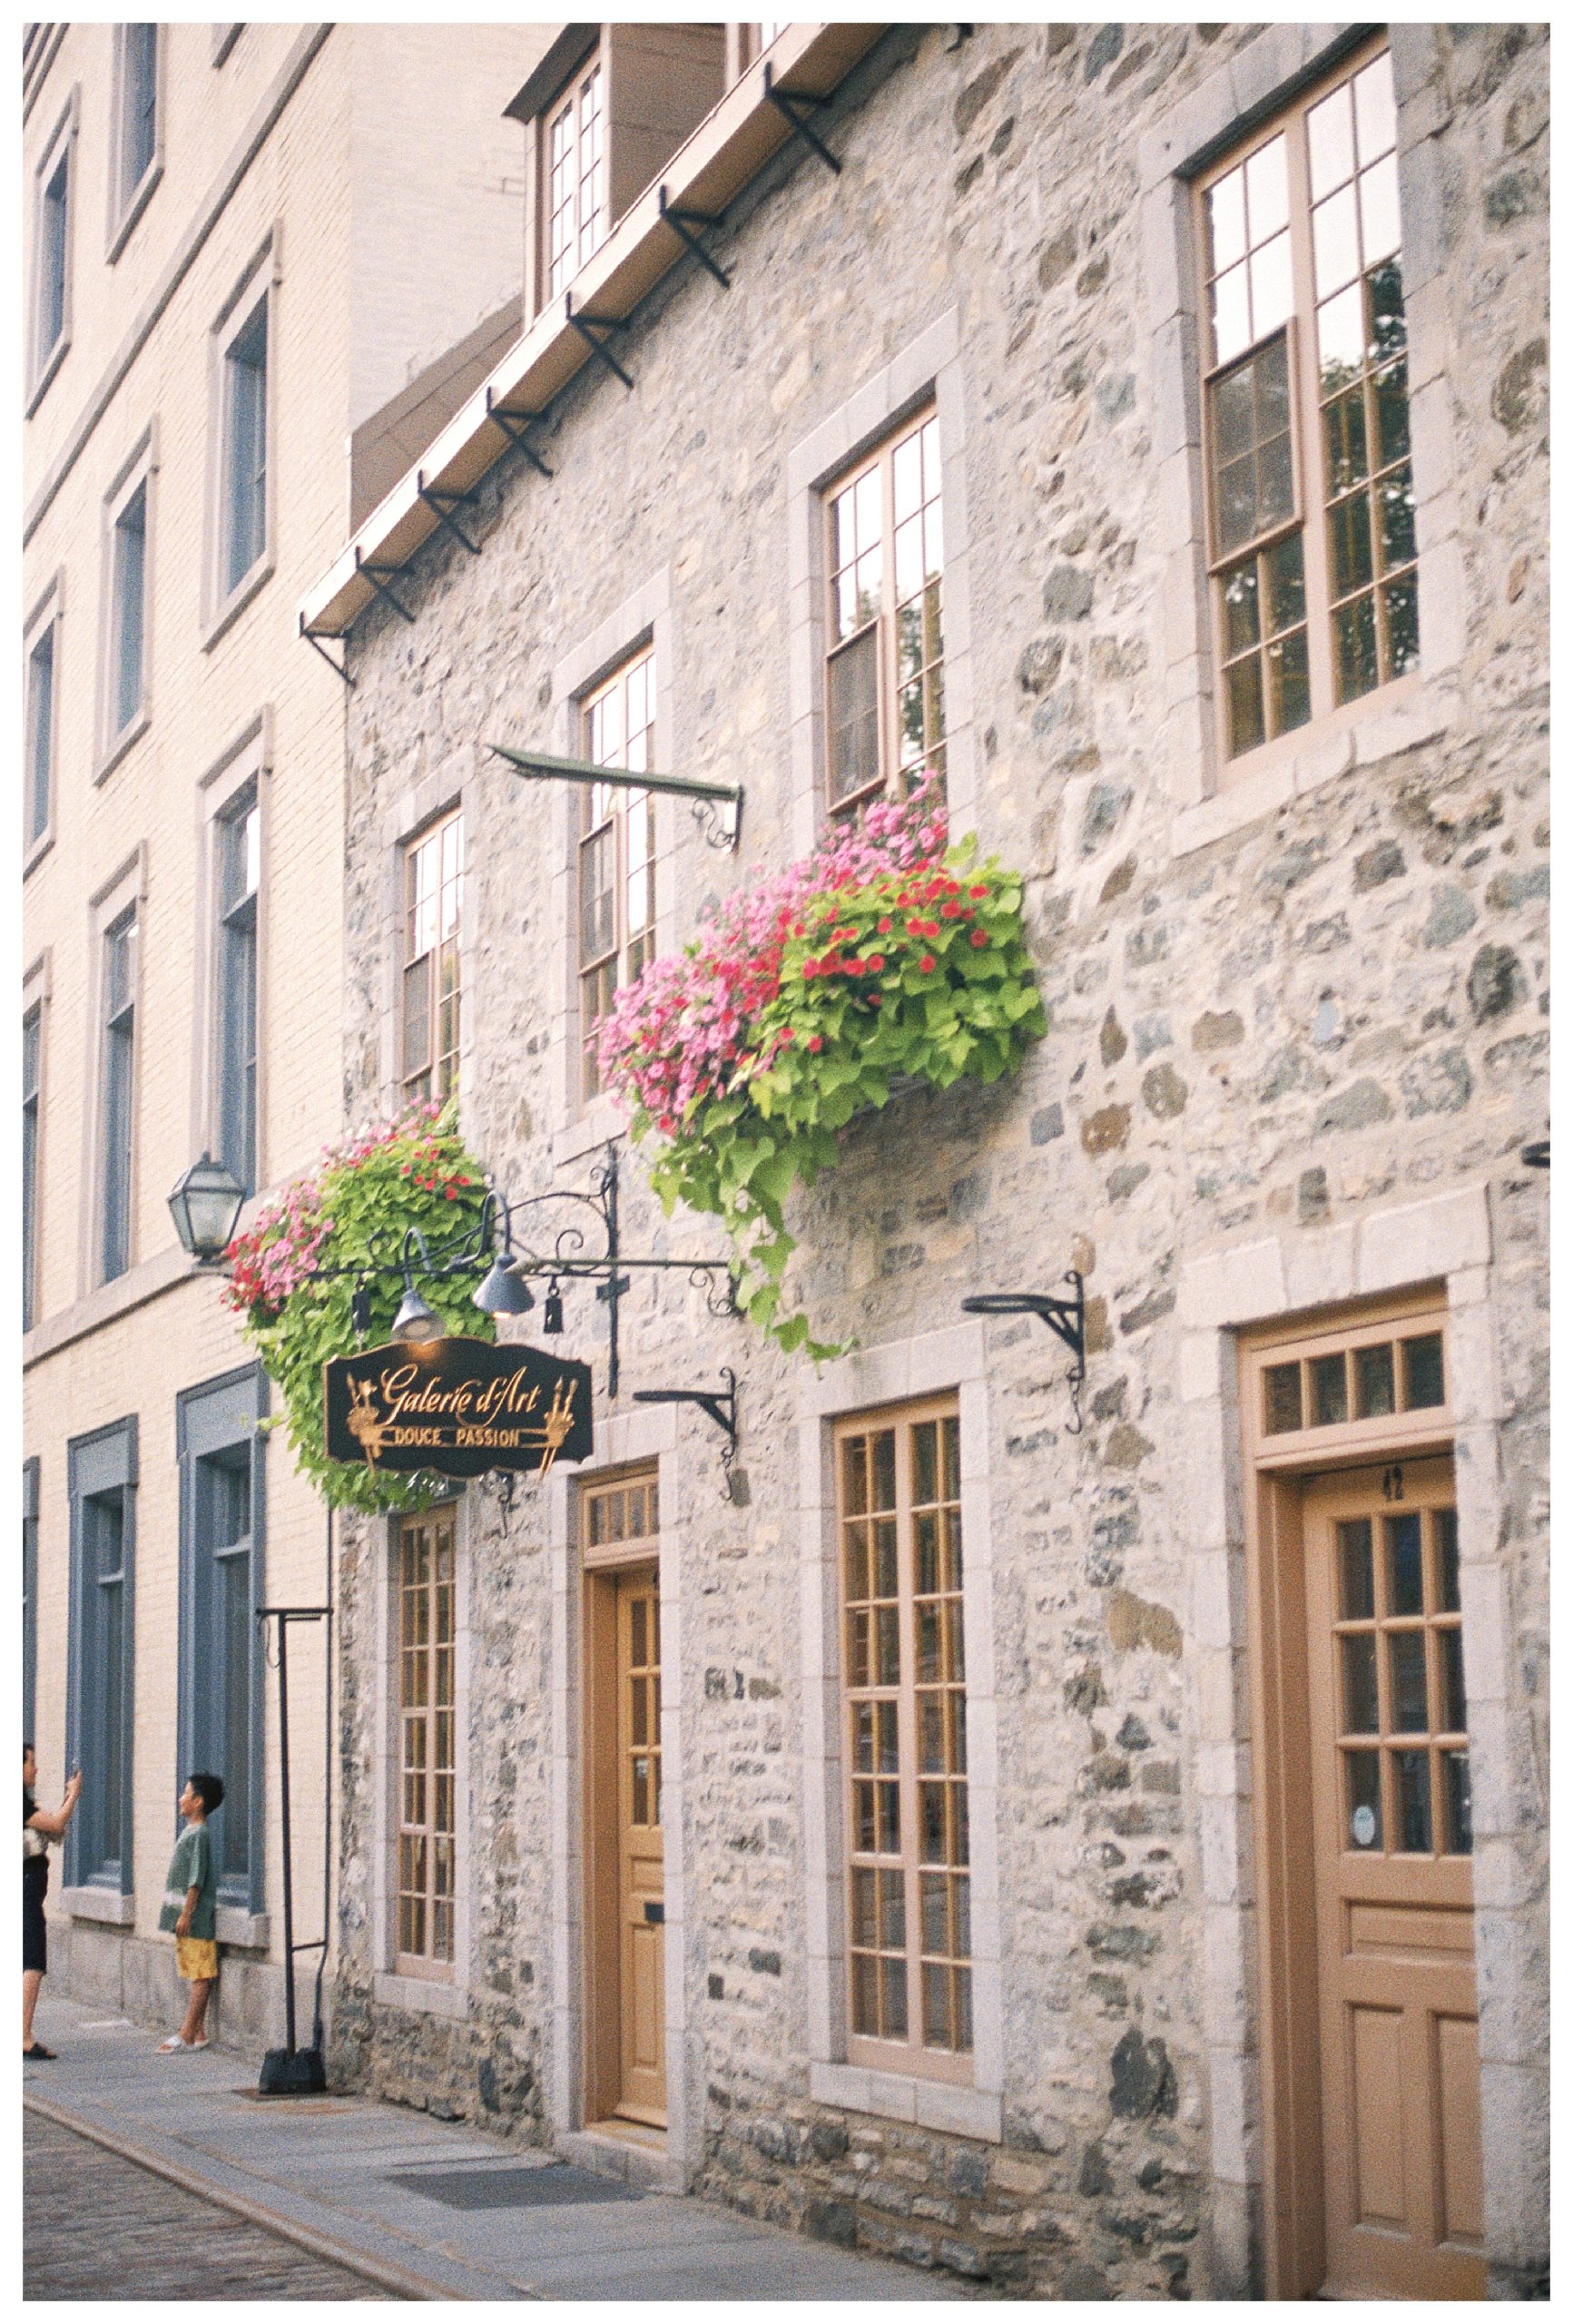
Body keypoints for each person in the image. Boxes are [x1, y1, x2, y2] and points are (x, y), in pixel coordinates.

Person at [157, 1772, 224, 2053]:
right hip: (185, 1918)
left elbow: (196, 1877)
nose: (180, 1798)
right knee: (192, 1969)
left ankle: (185, 2033)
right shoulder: (192, 1831)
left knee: (201, 1975)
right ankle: (199, 2033)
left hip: (195, 1919)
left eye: (186, 1794)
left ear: (198, 1802)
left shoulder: (200, 1834)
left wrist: (186, 1913)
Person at [24, 1745, 82, 2059]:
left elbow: (51, 1824)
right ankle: (23, 2035)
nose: (36, 1770)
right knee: (32, 1960)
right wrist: (73, 1794)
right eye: (31, 1763)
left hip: (26, 1888)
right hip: (26, 1888)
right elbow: (57, 1825)